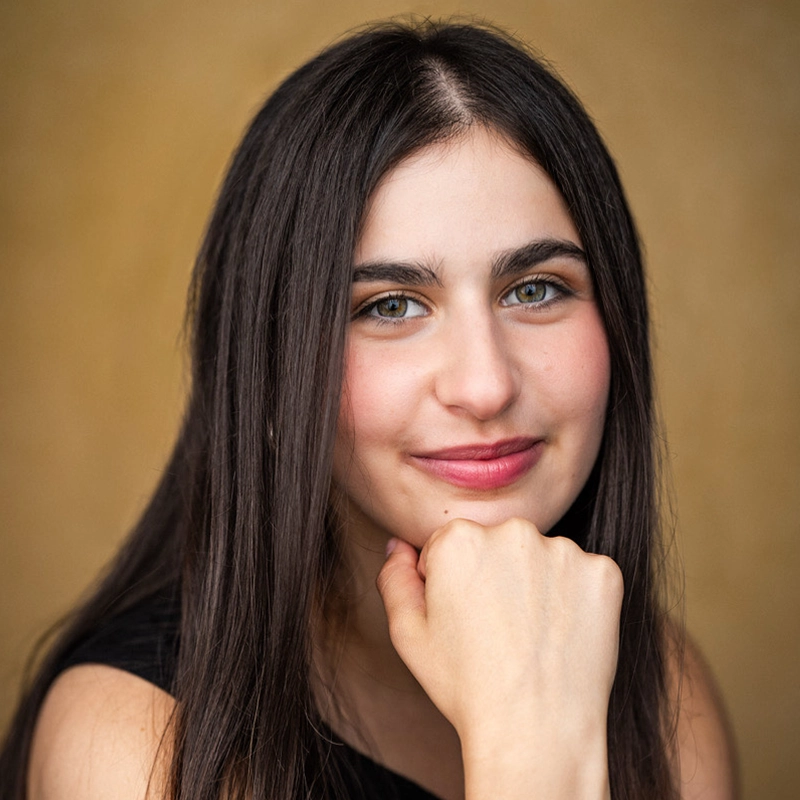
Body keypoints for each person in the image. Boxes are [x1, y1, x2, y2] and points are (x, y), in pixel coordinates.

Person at [1, 19, 737, 800]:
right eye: (390, 306)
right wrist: (533, 750)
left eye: (535, 289)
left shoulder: (666, 697)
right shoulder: (133, 744)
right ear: (271, 366)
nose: (486, 386)